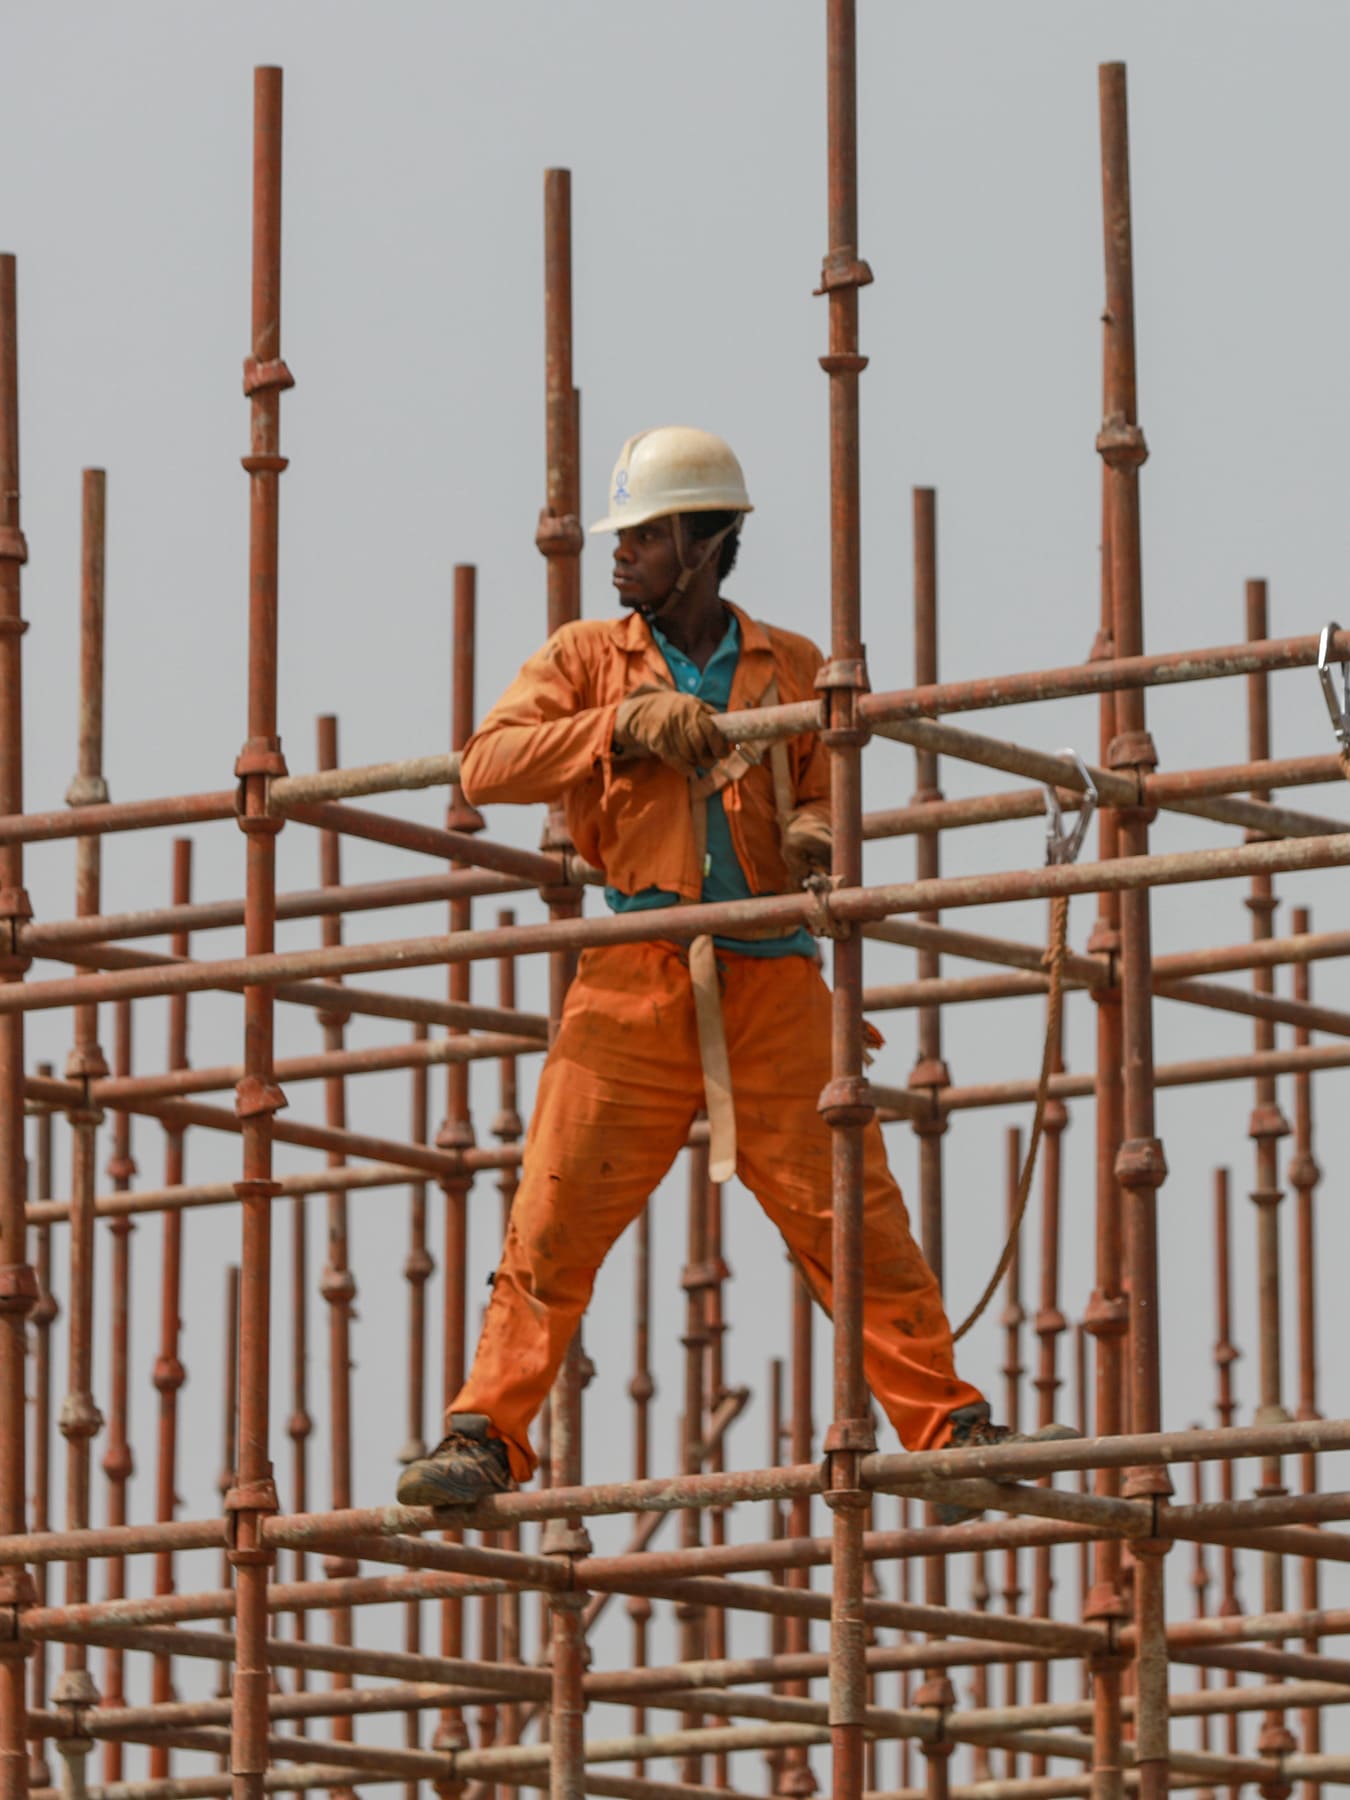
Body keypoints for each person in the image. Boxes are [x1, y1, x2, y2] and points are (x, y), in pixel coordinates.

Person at [397, 426, 1038, 1513]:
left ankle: (944, 1427)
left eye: (646, 535)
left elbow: (823, 790)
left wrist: (816, 835)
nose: (623, 555)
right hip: (635, 970)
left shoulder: (787, 664)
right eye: (626, 536)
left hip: (772, 976)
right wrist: (624, 727)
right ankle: (484, 1435)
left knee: (854, 1217)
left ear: (706, 542)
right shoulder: (587, 660)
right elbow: (487, 761)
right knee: (552, 1216)